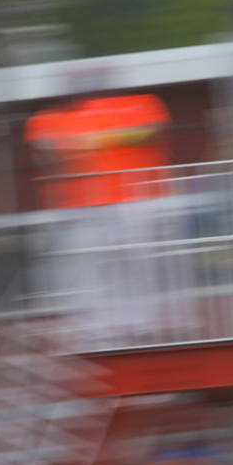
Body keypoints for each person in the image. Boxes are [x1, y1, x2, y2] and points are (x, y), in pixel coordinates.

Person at [26, 78, 183, 348]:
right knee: (86, 271)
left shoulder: (141, 103)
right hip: (79, 208)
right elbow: (46, 151)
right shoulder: (44, 119)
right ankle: (93, 331)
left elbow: (153, 130)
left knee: (135, 267)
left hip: (137, 200)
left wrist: (89, 142)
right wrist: (104, 141)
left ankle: (141, 325)